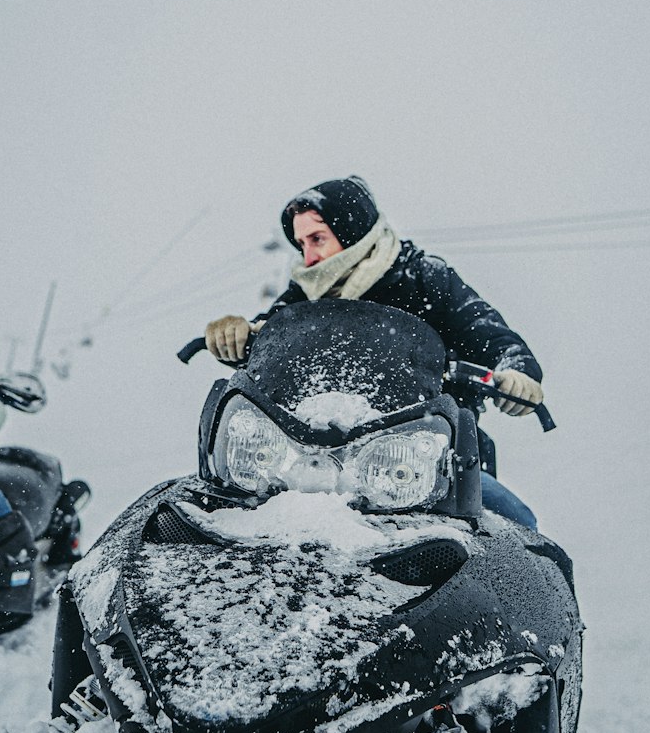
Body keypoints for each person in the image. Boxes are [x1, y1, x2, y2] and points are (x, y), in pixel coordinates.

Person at [205, 176, 544, 528]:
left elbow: (496, 339)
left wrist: (516, 373)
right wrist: (240, 334)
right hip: (305, 455)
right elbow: (270, 336)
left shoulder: (426, 279)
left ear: (351, 230)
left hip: (419, 458)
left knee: (516, 522)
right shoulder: (304, 294)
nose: (310, 256)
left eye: (317, 239)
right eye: (302, 244)